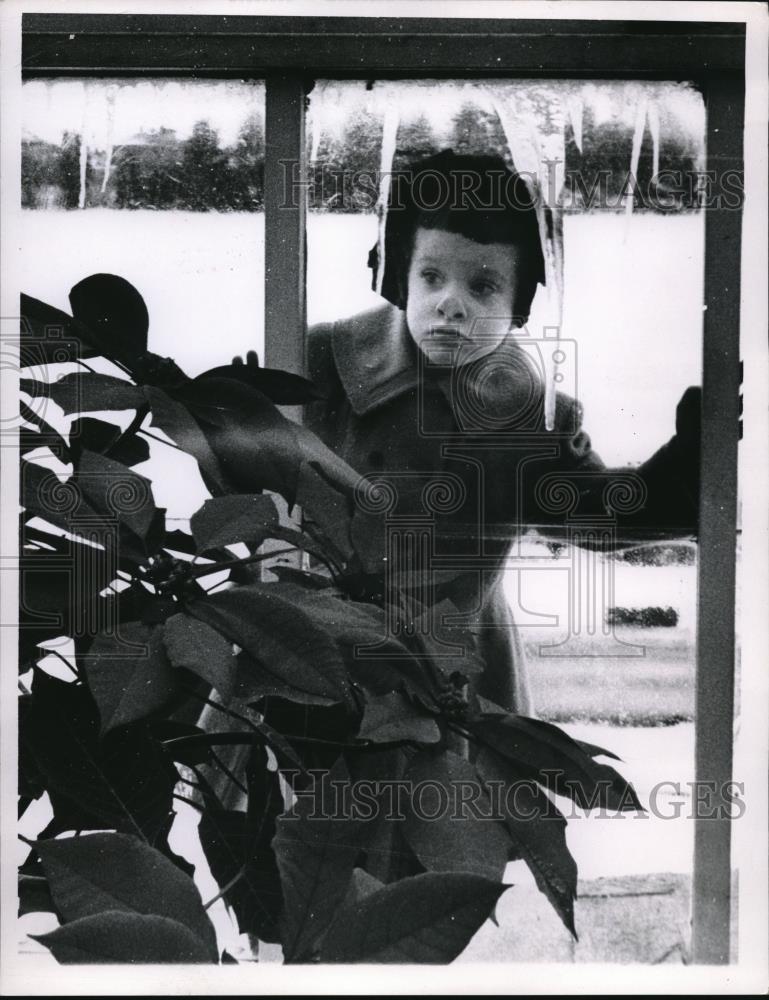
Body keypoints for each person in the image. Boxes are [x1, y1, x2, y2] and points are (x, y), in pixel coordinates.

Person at [301, 149, 699, 716]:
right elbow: (252, 480)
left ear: (521, 305)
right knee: (291, 795)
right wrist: (225, 418)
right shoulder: (321, 362)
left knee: (443, 798)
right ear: (397, 276)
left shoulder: (527, 419)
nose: (451, 305)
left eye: (484, 287)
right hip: (310, 655)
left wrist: (686, 465)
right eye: (431, 276)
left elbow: (600, 514)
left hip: (452, 672)